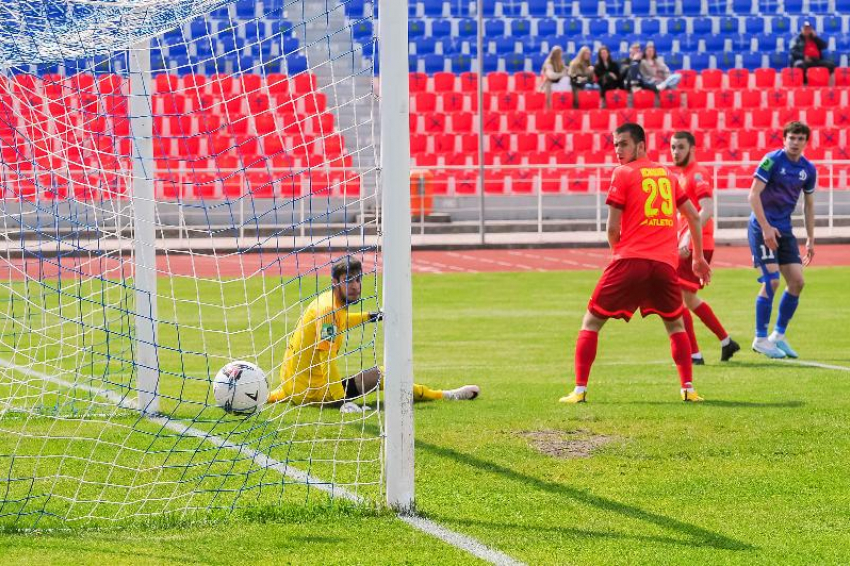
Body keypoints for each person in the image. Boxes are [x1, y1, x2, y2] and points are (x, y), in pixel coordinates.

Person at [560, 123, 711, 404]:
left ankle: (579, 390)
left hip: (629, 260)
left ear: (641, 146)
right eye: (615, 144)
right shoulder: (667, 174)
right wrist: (699, 257)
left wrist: (619, 254)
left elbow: (612, 228)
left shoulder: (624, 173)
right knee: (676, 325)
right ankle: (688, 389)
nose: (618, 150)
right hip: (664, 265)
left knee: (591, 322)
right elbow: (693, 215)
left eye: (624, 144)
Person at [268, 257, 480, 412]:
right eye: (348, 280)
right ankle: (446, 395)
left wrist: (370, 316)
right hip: (311, 392)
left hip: (293, 387)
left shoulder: (328, 303)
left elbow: (343, 322)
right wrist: (342, 401)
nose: (355, 286)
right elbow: (326, 359)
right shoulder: (329, 312)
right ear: (335, 282)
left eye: (358, 280)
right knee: (384, 374)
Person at [747, 121, 817, 359]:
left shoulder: (808, 169)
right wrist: (766, 228)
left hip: (785, 230)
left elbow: (808, 206)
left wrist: (810, 238)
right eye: (792, 138)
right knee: (772, 281)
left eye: (800, 139)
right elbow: (753, 195)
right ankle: (760, 338)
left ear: (806, 142)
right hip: (761, 227)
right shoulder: (772, 160)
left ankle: (778, 335)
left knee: (797, 281)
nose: (795, 143)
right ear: (784, 139)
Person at [670, 131, 740, 365]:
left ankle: (694, 354)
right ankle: (726, 341)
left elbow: (708, 208)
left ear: (692, 149)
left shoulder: (697, 174)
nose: (675, 151)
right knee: (688, 300)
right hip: (690, 243)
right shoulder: (682, 175)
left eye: (680, 147)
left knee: (677, 299)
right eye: (672, 147)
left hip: (694, 245)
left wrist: (687, 236)